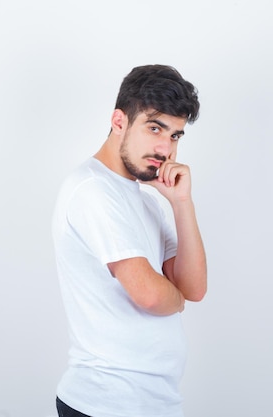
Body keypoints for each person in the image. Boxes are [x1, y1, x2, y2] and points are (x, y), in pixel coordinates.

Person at [52, 64, 207, 417]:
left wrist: (182, 204)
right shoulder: (93, 189)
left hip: (152, 401)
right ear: (119, 122)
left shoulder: (146, 198)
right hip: (107, 402)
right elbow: (151, 295)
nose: (165, 147)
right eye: (155, 128)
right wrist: (175, 297)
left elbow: (193, 288)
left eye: (175, 135)